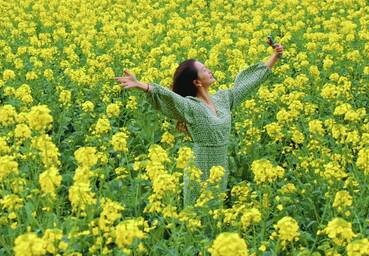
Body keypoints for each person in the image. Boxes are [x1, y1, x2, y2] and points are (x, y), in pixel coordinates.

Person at [114, 41, 284, 208]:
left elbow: (247, 84)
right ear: (197, 82)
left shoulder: (222, 99)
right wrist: (141, 85)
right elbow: (170, 97)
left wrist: (274, 57)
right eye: (203, 70)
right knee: (197, 217)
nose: (209, 70)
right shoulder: (191, 106)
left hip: (220, 169)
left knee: (214, 217)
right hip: (199, 171)